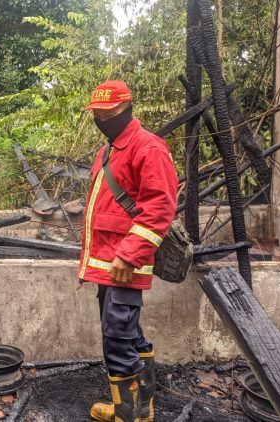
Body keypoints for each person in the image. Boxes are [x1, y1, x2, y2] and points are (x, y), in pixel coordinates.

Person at [77, 80, 177, 422]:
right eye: (98, 114)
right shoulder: (108, 152)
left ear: (127, 108)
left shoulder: (149, 148)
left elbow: (160, 206)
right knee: (128, 334)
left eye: (110, 112)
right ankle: (139, 410)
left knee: (117, 340)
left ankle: (128, 415)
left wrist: (129, 254)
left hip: (124, 265)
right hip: (108, 264)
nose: (103, 118)